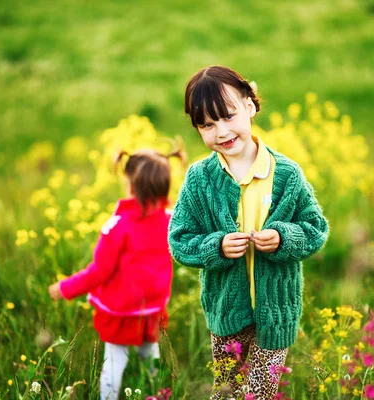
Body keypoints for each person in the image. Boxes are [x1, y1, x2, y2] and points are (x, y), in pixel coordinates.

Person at [168, 65, 329, 399]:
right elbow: (179, 240)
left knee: (260, 394)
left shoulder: (287, 174)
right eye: (207, 125)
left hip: (277, 315)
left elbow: (315, 228)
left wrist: (285, 238)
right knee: (227, 391)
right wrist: (217, 246)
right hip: (226, 315)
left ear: (251, 106)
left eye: (227, 116)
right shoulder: (199, 179)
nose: (221, 131)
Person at [49, 147, 185, 400]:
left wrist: (65, 288)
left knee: (115, 360)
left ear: (132, 187)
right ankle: (157, 391)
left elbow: (99, 272)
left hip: (121, 309)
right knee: (149, 350)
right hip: (153, 305)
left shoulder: (119, 226)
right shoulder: (171, 220)